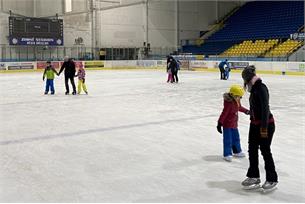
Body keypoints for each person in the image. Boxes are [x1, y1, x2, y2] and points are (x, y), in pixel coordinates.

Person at [241, 65, 278, 190]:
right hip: (254, 124)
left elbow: (265, 109)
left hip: (266, 124)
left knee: (265, 151)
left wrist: (263, 127)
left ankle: (272, 179)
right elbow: (255, 107)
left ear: (248, 78)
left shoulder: (261, 88)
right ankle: (254, 176)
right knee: (252, 150)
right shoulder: (254, 88)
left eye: (245, 80)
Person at [217, 84, 249, 162]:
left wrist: (246, 111)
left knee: (236, 138)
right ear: (233, 95)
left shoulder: (236, 100)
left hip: (234, 124)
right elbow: (224, 113)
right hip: (227, 125)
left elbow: (239, 107)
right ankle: (227, 154)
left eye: (241, 97)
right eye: (239, 96)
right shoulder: (229, 103)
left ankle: (237, 151)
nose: (240, 98)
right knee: (228, 140)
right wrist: (219, 123)